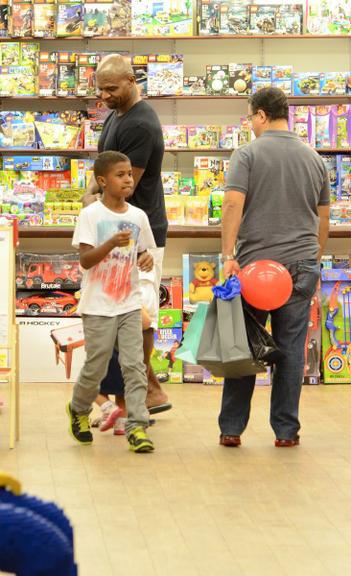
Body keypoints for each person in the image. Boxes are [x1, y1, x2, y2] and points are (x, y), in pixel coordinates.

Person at [220, 87, 330, 448]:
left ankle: (232, 429)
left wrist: (227, 256)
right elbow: (322, 218)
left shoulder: (247, 155)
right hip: (300, 265)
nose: (250, 124)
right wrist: (313, 259)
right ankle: (286, 432)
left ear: (262, 115)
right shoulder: (314, 158)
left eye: (251, 117)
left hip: (256, 269)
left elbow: (233, 205)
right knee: (291, 349)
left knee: (245, 348)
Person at [83, 53, 171, 424]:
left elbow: (123, 185)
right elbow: (103, 172)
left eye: (112, 88)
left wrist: (93, 201)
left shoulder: (140, 124)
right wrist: (91, 198)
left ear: (132, 80)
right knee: (118, 313)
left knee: (139, 316)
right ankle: (136, 392)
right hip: (116, 233)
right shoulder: (117, 115)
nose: (104, 96)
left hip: (140, 235)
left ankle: (146, 389)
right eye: (100, 89)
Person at [66, 150, 156, 453]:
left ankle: (137, 427)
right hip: (97, 306)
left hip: (128, 304)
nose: (128, 179)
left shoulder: (138, 216)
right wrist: (110, 243)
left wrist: (144, 258)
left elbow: (146, 252)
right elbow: (86, 260)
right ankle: (78, 408)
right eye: (120, 174)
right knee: (97, 365)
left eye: (129, 173)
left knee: (135, 366)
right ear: (102, 181)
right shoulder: (91, 215)